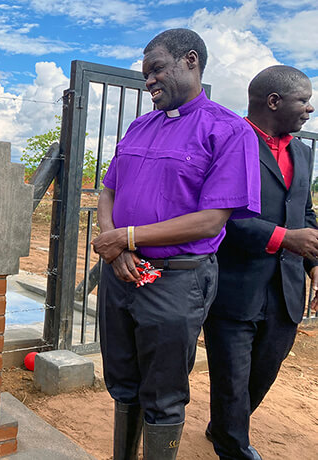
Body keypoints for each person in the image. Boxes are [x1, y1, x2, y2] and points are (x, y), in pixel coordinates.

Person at [91, 28, 261, 459]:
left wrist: (128, 237)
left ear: (190, 61)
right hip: (121, 274)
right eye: (146, 74)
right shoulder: (139, 125)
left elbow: (211, 220)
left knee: (163, 391)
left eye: (157, 70)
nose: (148, 81)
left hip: (175, 282)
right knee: (122, 380)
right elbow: (109, 189)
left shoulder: (228, 130)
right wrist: (117, 247)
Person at [203, 65, 317, 460]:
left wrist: (313, 259)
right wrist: (284, 238)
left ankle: (223, 425)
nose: (309, 109)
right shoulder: (229, 142)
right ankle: (233, 447)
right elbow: (216, 214)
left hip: (286, 289)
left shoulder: (302, 153)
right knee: (231, 378)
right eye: (304, 100)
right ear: (274, 101)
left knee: (264, 371)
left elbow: (305, 211)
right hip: (236, 285)